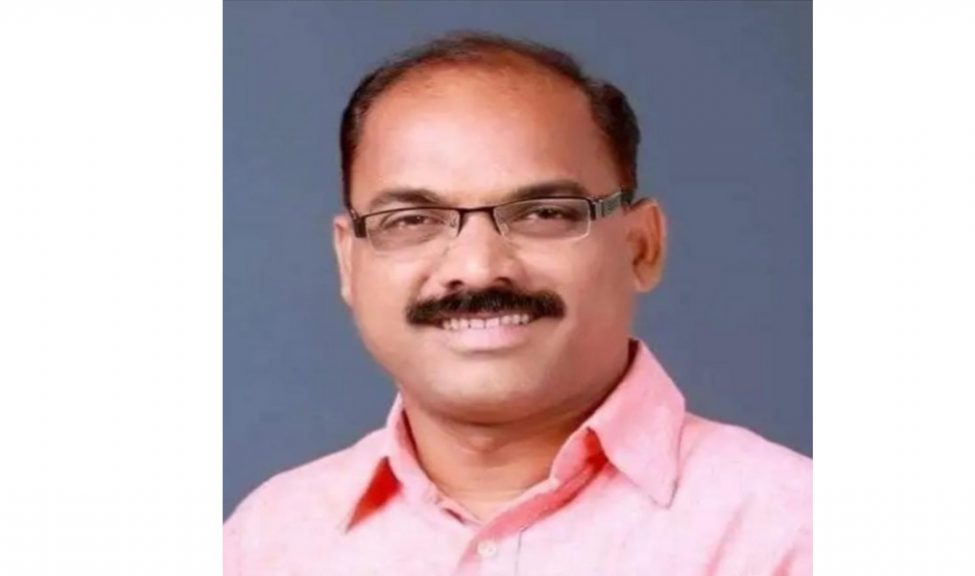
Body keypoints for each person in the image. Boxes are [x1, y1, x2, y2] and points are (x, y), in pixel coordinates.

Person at [224, 31, 811, 575]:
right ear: (349, 263)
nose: (478, 268)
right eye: (412, 220)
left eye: (543, 213)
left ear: (641, 247)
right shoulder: (268, 542)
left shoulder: (793, 531)